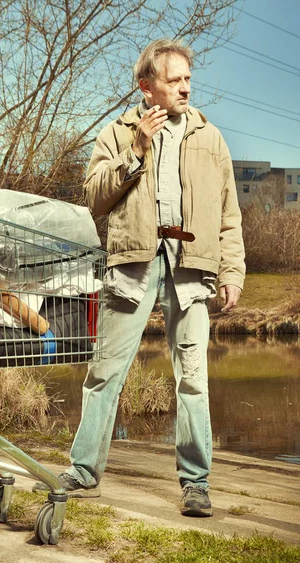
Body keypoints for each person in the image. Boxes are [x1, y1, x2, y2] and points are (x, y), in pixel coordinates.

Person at [33, 39, 245, 517]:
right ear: (148, 88)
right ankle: (84, 470)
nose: (186, 88)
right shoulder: (118, 132)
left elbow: (229, 213)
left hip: (191, 268)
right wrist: (136, 150)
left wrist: (232, 271)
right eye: (175, 81)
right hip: (133, 265)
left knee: (193, 379)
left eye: (188, 79)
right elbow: (95, 198)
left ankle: (196, 482)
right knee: (105, 371)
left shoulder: (211, 139)